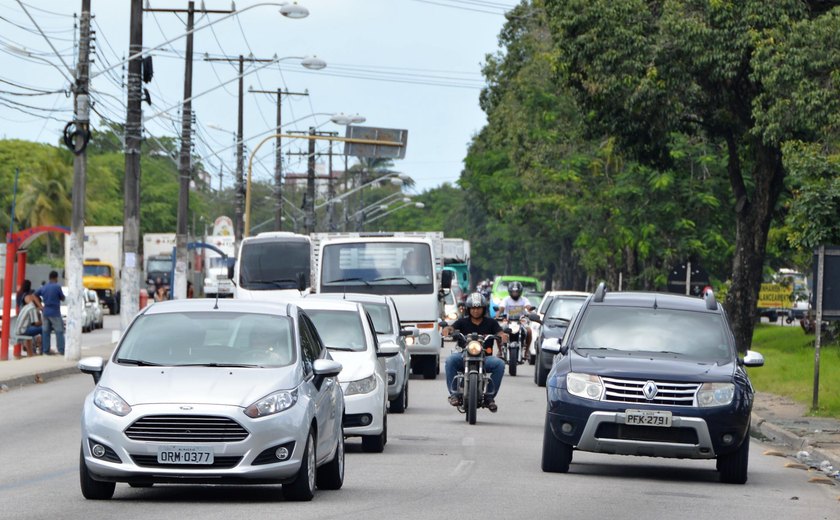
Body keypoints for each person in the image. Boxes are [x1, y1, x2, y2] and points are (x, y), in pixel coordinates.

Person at [442, 292, 508, 412]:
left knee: (500, 364)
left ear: (483, 309)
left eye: (478, 308)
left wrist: (502, 335)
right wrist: (448, 329)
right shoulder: (462, 322)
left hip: (485, 358)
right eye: (473, 308)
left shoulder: (491, 322)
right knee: (450, 360)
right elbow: (453, 327)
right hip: (464, 356)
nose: (476, 311)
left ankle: (489, 397)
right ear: (468, 309)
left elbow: (499, 332)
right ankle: (454, 394)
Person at [497, 281, 535, 361]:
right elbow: (501, 308)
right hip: (507, 321)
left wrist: (531, 311)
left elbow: (528, 306)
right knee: (498, 331)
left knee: (529, 331)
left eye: (517, 292)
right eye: (513, 292)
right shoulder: (506, 300)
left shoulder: (524, 299)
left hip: (521, 321)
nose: (515, 293)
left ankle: (526, 352)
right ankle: (500, 351)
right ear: (510, 291)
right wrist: (498, 314)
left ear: (520, 291)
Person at [34, 271, 64, 355]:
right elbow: (62, 298)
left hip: (45, 312)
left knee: (46, 331)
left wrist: (40, 306)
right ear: (56, 277)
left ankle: (45, 350)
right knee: (59, 331)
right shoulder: (57, 287)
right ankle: (61, 350)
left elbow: (34, 295)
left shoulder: (44, 287)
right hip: (55, 312)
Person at [14, 293, 43, 357]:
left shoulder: (27, 306)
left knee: (36, 331)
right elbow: (36, 323)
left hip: (19, 329)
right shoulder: (32, 308)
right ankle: (43, 350)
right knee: (44, 329)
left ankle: (32, 351)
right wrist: (44, 323)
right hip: (23, 330)